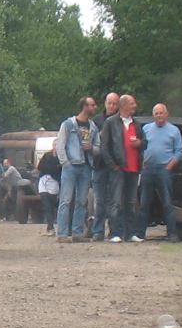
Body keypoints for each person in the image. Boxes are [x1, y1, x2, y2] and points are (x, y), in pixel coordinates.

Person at [139, 102, 182, 240]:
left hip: (164, 169)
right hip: (148, 169)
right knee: (144, 203)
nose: (159, 115)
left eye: (161, 113)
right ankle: (140, 234)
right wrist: (141, 161)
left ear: (166, 114)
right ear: (153, 115)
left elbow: (179, 151)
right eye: (156, 113)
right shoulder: (146, 129)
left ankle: (172, 233)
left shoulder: (174, 130)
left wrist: (169, 166)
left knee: (167, 203)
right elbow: (140, 147)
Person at [56, 97, 96, 242]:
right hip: (71, 166)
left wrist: (92, 148)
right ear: (84, 107)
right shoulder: (68, 125)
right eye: (92, 105)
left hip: (86, 167)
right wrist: (65, 163)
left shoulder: (93, 127)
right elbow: (60, 145)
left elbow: (98, 146)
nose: (95, 107)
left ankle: (77, 232)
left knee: (81, 201)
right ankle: (62, 233)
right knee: (65, 200)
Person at [107, 94, 143, 241]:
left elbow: (145, 142)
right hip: (119, 168)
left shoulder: (137, 124)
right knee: (116, 202)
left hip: (134, 168)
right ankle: (115, 233)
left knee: (131, 202)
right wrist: (113, 165)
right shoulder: (111, 122)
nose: (135, 106)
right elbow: (105, 146)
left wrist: (140, 143)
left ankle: (131, 233)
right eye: (133, 103)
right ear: (124, 106)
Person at [90, 89, 122, 241]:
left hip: (116, 165)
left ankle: (115, 231)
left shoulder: (122, 121)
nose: (111, 106)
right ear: (105, 104)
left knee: (116, 201)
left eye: (114, 104)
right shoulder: (96, 121)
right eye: (109, 103)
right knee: (99, 201)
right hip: (99, 165)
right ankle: (97, 231)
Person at [35, 147, 62, 233]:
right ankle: (50, 226)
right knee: (46, 204)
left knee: (52, 204)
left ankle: (52, 225)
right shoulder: (47, 155)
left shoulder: (61, 157)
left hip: (54, 182)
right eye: (55, 144)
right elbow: (40, 167)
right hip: (44, 180)